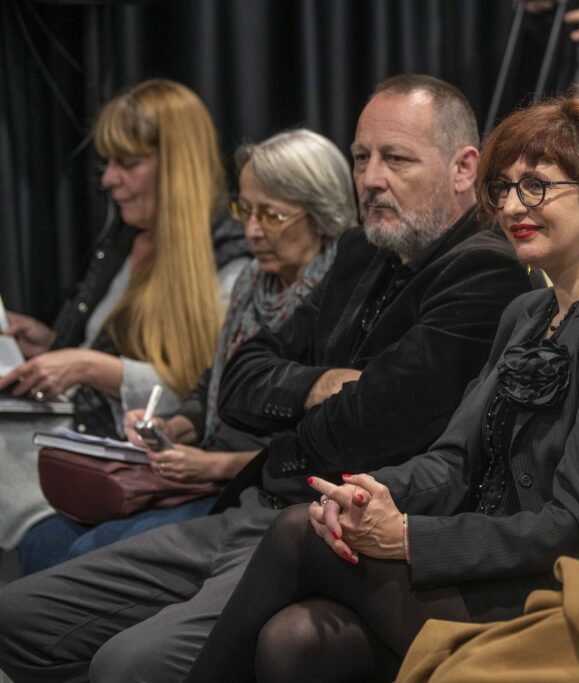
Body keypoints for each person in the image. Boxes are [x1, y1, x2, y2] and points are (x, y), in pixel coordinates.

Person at [0, 74, 532, 682]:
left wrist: (293, 418)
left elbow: (377, 424)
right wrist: (318, 384)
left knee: (128, 666)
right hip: (251, 506)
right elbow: (238, 381)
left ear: (465, 168)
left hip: (328, 536)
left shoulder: (487, 273)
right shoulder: (362, 251)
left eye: (396, 159)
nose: (371, 178)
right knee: (14, 614)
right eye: (361, 158)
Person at [183, 85, 579, 682]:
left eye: (537, 186)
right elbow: (452, 462)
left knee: (297, 533)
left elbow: (574, 525)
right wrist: (366, 494)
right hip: (493, 573)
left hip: (570, 594)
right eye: (503, 188)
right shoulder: (526, 315)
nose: (511, 206)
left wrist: (408, 539)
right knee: (297, 640)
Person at [15, 128, 356, 575]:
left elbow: (318, 454)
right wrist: (174, 428)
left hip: (264, 489)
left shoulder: (343, 299)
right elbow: (213, 384)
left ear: (320, 213)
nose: (252, 230)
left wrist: (213, 467)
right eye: (245, 210)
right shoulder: (253, 283)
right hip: (207, 469)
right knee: (43, 540)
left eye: (272, 216)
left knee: (87, 556)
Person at [0, 79, 248, 552]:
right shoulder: (120, 242)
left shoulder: (229, 259)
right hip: (76, 450)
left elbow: (202, 393)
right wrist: (50, 344)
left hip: (131, 468)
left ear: (177, 168)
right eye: (108, 163)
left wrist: (87, 366)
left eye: (128, 164)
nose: (108, 179)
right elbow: (116, 346)